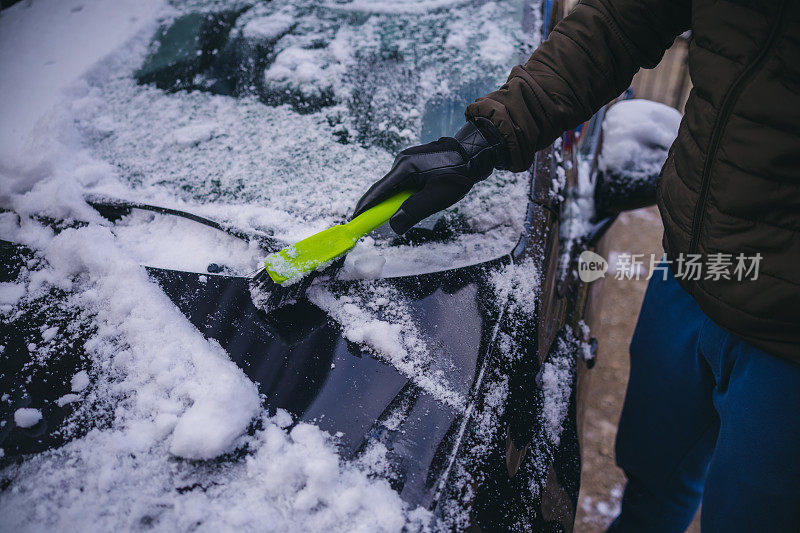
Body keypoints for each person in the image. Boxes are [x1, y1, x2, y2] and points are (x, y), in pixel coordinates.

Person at [351, 0, 800, 531]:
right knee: (651, 477)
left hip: (786, 343)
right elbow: (618, 22)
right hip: (693, 269)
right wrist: (483, 141)